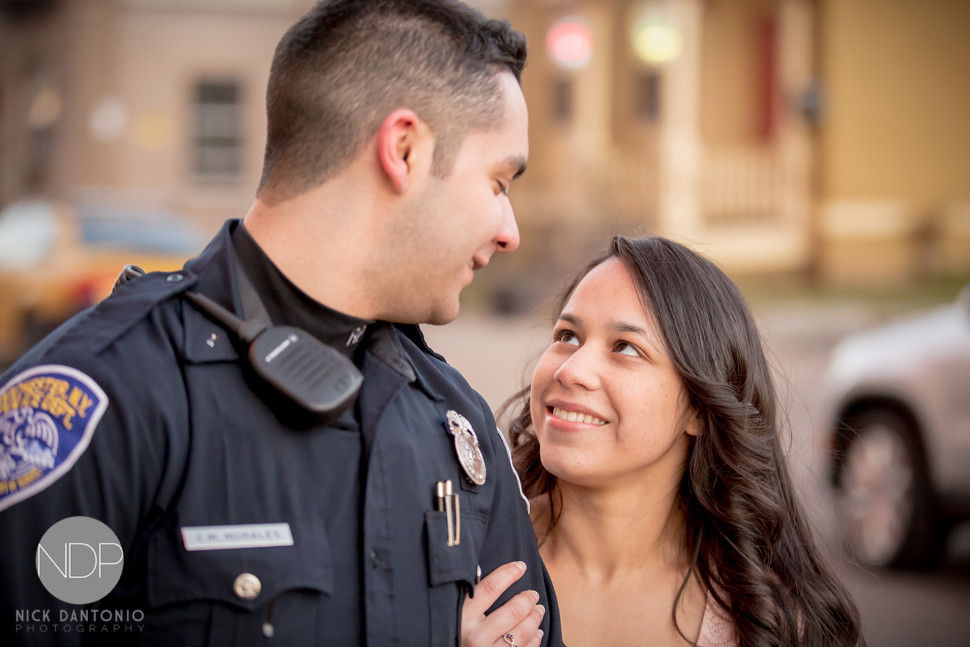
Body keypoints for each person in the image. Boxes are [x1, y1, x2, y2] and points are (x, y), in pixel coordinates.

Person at [0, 1, 562, 645]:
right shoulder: (99, 403)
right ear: (404, 150)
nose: (511, 232)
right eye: (499, 182)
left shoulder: (453, 422)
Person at [503, 235, 865, 646]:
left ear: (699, 408)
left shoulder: (766, 623)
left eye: (625, 347)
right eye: (567, 335)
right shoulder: (466, 558)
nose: (571, 370)